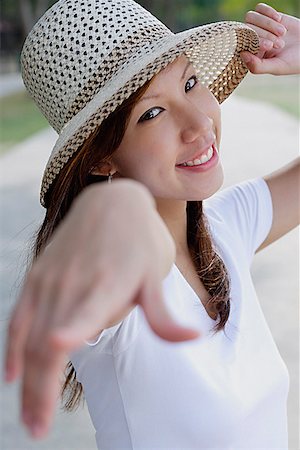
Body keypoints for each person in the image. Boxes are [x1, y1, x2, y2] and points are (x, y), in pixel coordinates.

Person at [4, 0, 299, 448]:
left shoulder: (226, 227)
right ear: (102, 157)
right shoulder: (112, 281)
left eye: (191, 83)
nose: (200, 122)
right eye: (151, 113)